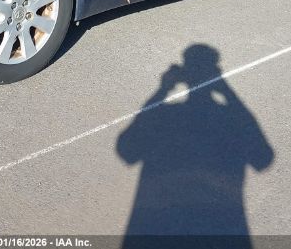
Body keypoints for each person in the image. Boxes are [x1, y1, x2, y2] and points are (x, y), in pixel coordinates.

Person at [117, 44, 274, 247]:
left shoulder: (166, 114)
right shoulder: (228, 117)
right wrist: (225, 89)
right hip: (221, 226)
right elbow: (263, 157)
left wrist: (163, 89)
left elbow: (127, 150)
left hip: (155, 225)